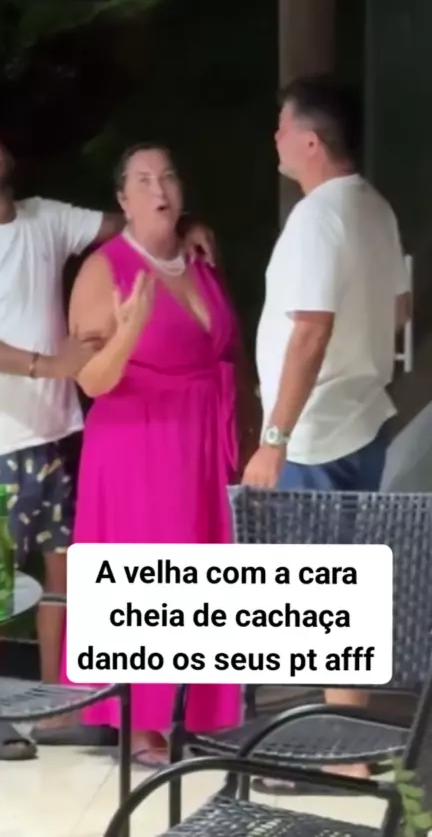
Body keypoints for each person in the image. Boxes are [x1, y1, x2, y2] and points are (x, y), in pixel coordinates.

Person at [0, 117, 215, 761]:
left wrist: (184, 224)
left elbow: (132, 221)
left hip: (55, 430)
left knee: (66, 574)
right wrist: (47, 365)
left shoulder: (46, 217)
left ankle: (55, 706)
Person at [244, 75, 411, 790]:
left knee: (324, 595)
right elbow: (399, 308)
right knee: (347, 588)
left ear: (310, 142)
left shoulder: (318, 219)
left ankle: (341, 751)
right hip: (362, 417)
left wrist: (274, 436)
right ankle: (345, 740)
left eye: (283, 128)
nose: (276, 139)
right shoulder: (374, 207)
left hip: (316, 435)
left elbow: (310, 331)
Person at [59, 143, 248, 767]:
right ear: (123, 199)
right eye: (142, 180)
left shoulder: (198, 256)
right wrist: (132, 328)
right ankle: (140, 721)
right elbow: (91, 380)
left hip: (202, 435)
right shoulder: (104, 269)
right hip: (139, 440)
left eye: (167, 176)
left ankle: (200, 710)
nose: (158, 188)